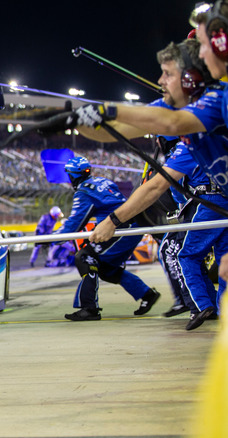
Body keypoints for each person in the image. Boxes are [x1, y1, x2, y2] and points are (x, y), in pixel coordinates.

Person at [71, 2, 228, 282]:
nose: (161, 81)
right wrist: (76, 121)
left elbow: (171, 125)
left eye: (202, 47)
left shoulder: (213, 102)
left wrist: (109, 110)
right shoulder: (201, 105)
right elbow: (122, 128)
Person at [88, 39, 225, 330]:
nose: (160, 80)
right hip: (217, 202)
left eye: (167, 73)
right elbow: (135, 125)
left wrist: (113, 220)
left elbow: (154, 184)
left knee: (185, 254)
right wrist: (82, 119)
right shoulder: (186, 128)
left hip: (212, 203)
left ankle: (201, 306)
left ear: (191, 80)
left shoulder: (212, 108)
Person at [55, 157, 160, 321]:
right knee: (105, 269)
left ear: (73, 176)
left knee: (85, 257)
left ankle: (89, 308)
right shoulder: (103, 181)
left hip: (121, 229)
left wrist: (50, 239)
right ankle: (147, 294)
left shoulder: (84, 192)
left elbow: (75, 223)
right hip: (130, 227)